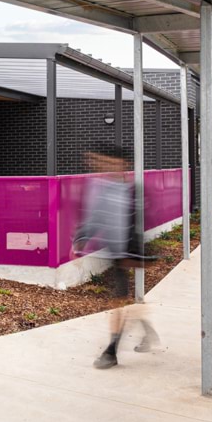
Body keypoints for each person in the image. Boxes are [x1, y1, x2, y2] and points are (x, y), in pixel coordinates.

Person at [72, 144, 158, 369]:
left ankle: (111, 351)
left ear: (123, 164)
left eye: (110, 162)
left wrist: (136, 251)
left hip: (128, 250)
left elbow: (139, 220)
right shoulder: (99, 187)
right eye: (101, 163)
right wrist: (82, 238)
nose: (105, 167)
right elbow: (95, 216)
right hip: (114, 250)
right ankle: (148, 332)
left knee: (119, 300)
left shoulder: (133, 189)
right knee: (124, 300)